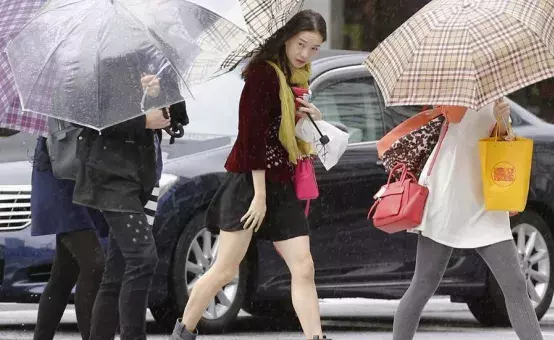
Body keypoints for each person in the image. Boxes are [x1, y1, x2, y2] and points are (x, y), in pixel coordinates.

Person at [170, 9, 331, 340]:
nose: (306, 54)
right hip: (250, 184)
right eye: (302, 44)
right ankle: (183, 333)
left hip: (281, 184)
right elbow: (252, 137)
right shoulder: (262, 75)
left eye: (314, 48)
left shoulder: (294, 79)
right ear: (287, 37)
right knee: (224, 270)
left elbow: (285, 132)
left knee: (304, 267)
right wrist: (258, 195)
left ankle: (316, 337)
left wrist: (309, 116)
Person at [392, 100, 543, 340]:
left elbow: (500, 138)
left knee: (515, 284)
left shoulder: (494, 89)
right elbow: (454, 115)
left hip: (486, 196)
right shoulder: (453, 79)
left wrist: (502, 119)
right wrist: (480, 103)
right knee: (424, 283)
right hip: (448, 193)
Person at [76, 48, 181, 339]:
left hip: (143, 176)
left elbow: (177, 116)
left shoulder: (153, 57)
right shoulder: (93, 65)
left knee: (118, 271)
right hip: (110, 177)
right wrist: (142, 120)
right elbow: (87, 118)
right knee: (143, 258)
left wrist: (159, 94)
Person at [30, 136, 107, 340]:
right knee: (94, 264)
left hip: (82, 178)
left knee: (65, 273)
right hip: (60, 176)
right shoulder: (61, 104)